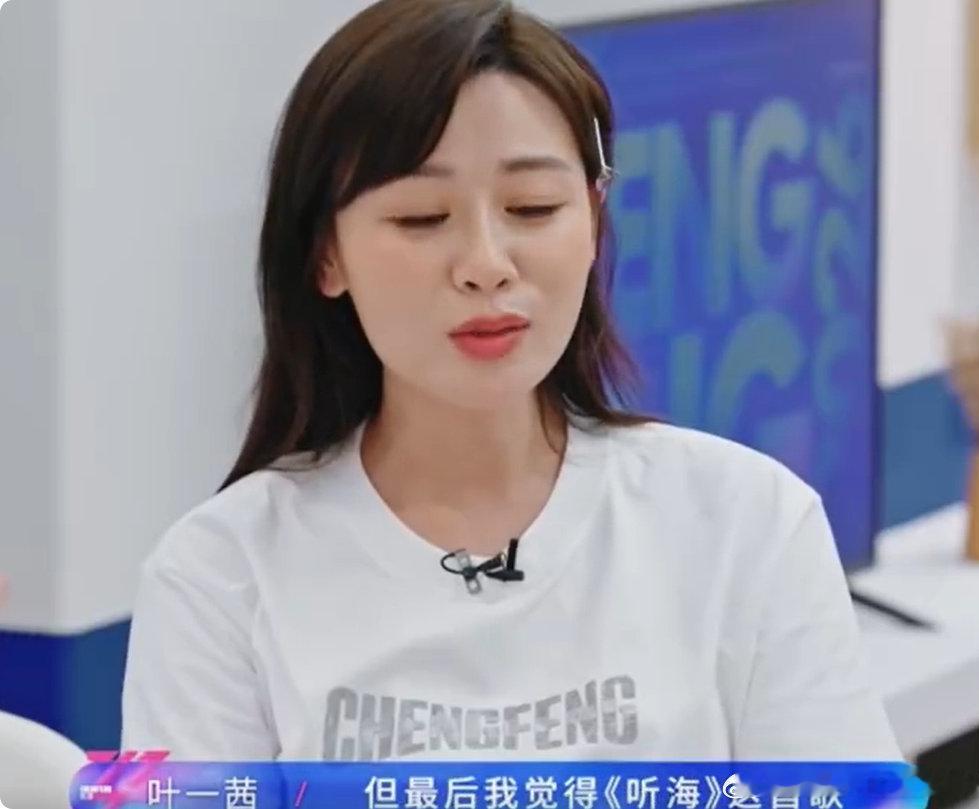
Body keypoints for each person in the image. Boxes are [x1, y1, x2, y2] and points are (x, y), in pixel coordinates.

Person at [121, 0, 902, 763]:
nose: (486, 264)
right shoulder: (217, 577)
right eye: (421, 218)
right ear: (326, 253)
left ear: (592, 221)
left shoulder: (748, 523)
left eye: (531, 207)